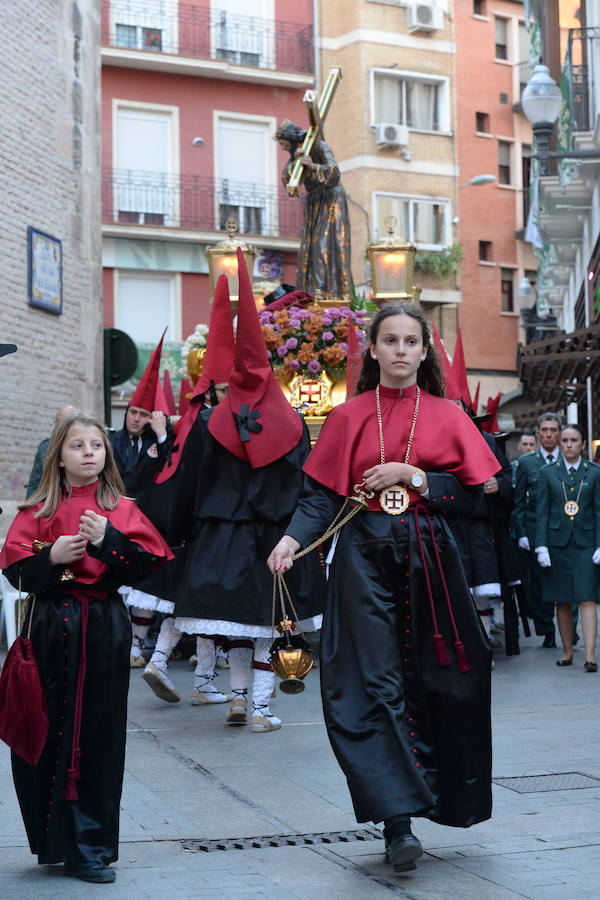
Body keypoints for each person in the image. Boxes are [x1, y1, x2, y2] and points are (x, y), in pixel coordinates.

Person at [268, 300, 500, 874]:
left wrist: (413, 475)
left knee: (440, 676)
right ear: (372, 349)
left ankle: (437, 795)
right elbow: (320, 498)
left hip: (432, 560)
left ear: (425, 352)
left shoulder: (448, 413)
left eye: (410, 342)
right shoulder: (347, 417)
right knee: (372, 682)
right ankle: (397, 823)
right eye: (389, 341)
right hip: (363, 557)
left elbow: (482, 495)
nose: (400, 350)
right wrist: (292, 541)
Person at [0, 412, 172, 884]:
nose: (89, 453)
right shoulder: (37, 509)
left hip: (102, 627)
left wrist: (109, 541)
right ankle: (53, 840)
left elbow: (147, 565)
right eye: (78, 446)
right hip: (50, 626)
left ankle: (91, 848)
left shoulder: (121, 506)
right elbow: (15, 569)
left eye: (96, 445)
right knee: (46, 725)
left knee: (99, 734)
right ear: (59, 455)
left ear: (106, 454)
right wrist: (50, 558)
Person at [169, 251, 324, 733]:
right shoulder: (294, 422)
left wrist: (178, 534)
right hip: (276, 538)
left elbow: (187, 482)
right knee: (268, 625)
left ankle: (236, 695)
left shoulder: (211, 421)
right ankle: (259, 708)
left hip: (222, 538)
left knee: (238, 622)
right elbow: (305, 484)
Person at [141, 274, 236, 706]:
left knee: (199, 601)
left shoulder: (199, 418)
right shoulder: (211, 421)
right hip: (216, 525)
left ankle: (197, 680)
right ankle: (165, 662)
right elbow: (187, 475)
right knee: (208, 603)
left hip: (200, 523)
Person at [109, 332, 173, 666]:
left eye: (142, 413)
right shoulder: (109, 441)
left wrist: (160, 435)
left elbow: (168, 463)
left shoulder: (159, 443)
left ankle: (137, 645)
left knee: (144, 583)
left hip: (147, 519)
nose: (136, 418)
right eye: (132, 412)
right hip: (114, 517)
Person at [535, 424, 600, 671]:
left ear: (583, 444)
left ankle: (591, 655)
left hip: (585, 544)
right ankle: (567, 650)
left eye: (574, 440)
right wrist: (540, 546)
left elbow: (598, 510)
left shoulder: (593, 472)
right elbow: (541, 512)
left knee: (587, 598)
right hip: (557, 544)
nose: (568, 444)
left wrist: (599, 544)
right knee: (561, 600)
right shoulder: (548, 472)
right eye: (565, 440)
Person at [275, 119, 352, 303]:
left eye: (285, 144)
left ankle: (325, 292)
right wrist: (296, 160)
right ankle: (311, 291)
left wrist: (312, 166)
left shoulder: (320, 147)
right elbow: (287, 179)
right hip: (314, 201)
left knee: (323, 245)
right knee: (309, 248)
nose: (285, 148)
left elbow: (334, 173)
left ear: (293, 139)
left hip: (331, 200)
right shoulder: (295, 154)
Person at [513, 413, 563, 647]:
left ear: (560, 433)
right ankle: (547, 629)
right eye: (545, 430)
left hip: (564, 530)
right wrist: (522, 532)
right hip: (534, 530)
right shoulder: (527, 463)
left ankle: (568, 631)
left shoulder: (569, 459)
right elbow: (518, 503)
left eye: (553, 430)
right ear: (538, 433)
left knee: (566, 581)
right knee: (539, 584)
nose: (549, 434)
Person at [26, 405, 77, 497]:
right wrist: (28, 508)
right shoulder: (45, 447)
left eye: (66, 422)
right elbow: (35, 483)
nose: (60, 426)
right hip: (51, 503)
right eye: (58, 422)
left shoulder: (86, 447)